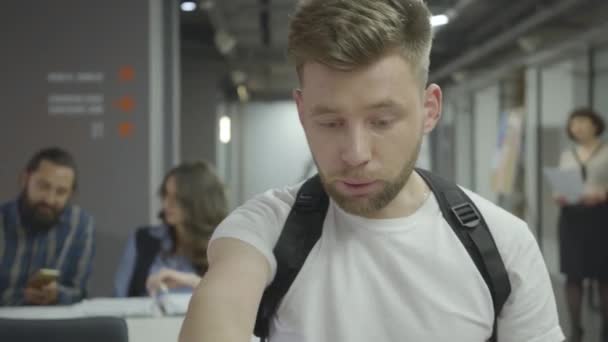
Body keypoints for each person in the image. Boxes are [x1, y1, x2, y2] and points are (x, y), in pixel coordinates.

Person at [179, 1, 563, 341]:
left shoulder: (501, 244)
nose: (355, 154)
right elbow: (223, 306)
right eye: (330, 123)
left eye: (381, 121)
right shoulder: (266, 228)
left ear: (429, 109)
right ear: (301, 111)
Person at [114, 161, 228, 297]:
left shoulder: (222, 245)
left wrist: (191, 281)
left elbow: (235, 299)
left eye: (177, 198)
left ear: (200, 202)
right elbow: (119, 297)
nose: (167, 203)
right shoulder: (142, 240)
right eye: (166, 195)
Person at [0, 147, 95, 306]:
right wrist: (22, 296)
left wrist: (58, 294)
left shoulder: (81, 225)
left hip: (54, 324)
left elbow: (79, 291)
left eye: (61, 192)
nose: (50, 199)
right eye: (43, 186)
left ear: (71, 194)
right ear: (25, 180)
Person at [555, 108, 608, 342]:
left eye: (582, 122)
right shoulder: (567, 155)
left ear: (595, 125)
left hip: (601, 217)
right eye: (573, 122)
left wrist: (603, 194)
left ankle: (605, 330)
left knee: (603, 275)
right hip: (571, 218)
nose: (576, 126)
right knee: (572, 275)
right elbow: (561, 185)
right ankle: (576, 331)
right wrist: (559, 195)